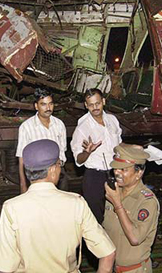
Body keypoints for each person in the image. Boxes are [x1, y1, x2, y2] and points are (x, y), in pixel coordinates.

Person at [0, 139, 116, 273]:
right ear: (52, 170)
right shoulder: (76, 203)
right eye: (59, 164)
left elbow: (4, 267)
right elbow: (108, 254)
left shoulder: (11, 208)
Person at [103, 143, 160, 273]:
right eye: (116, 168)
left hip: (134, 269)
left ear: (139, 172)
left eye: (123, 169)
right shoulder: (115, 192)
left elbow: (135, 238)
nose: (117, 173)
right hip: (112, 267)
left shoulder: (146, 201)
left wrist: (117, 205)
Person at [71, 88, 122, 224]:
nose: (95, 108)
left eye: (97, 103)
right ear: (86, 106)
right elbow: (78, 160)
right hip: (95, 177)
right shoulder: (82, 128)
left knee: (116, 214)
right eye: (91, 105)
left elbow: (119, 145)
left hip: (115, 173)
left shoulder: (112, 120)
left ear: (103, 101)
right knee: (95, 220)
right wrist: (87, 152)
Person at [16, 88, 67, 193]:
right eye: (43, 104)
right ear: (36, 106)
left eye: (51, 104)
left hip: (58, 173)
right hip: (38, 177)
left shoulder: (59, 125)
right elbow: (21, 158)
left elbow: (62, 150)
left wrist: (59, 167)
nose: (48, 108)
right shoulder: (26, 127)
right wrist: (23, 184)